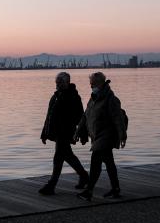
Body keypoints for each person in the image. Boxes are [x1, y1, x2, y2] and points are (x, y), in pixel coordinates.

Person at [74, 72, 127, 201]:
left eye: (93, 84)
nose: (91, 86)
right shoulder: (93, 98)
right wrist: (77, 132)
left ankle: (89, 191)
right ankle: (115, 189)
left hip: (106, 135)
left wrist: (122, 136)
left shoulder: (111, 99)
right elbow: (85, 117)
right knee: (109, 162)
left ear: (101, 83)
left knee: (95, 162)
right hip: (96, 136)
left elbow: (118, 119)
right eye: (90, 84)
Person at [38, 72, 89, 195]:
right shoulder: (55, 96)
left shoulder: (73, 97)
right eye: (57, 82)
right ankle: (84, 176)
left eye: (61, 82)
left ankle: (51, 185)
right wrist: (44, 133)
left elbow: (81, 116)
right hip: (56, 132)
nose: (58, 85)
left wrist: (83, 134)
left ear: (67, 82)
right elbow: (49, 116)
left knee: (58, 157)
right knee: (67, 155)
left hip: (66, 132)